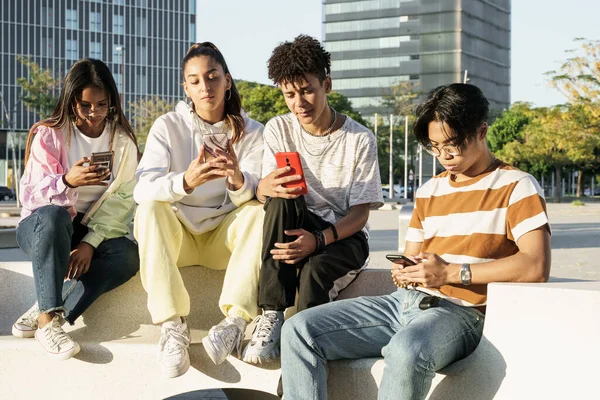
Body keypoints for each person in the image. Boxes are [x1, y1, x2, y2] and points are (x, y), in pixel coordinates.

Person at [279, 83, 552, 399]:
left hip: (461, 313)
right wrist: (405, 272)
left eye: (452, 145)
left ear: (481, 131)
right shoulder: (429, 191)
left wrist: (450, 273)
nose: (443, 156)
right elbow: (411, 260)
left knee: (406, 349)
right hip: (403, 304)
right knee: (299, 329)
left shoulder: (517, 186)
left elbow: (536, 265)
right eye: (434, 146)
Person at [242, 35, 383, 364]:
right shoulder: (279, 128)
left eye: (307, 90)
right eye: (289, 94)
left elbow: (360, 214)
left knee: (315, 271)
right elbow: (267, 193)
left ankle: (295, 371)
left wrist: (318, 240)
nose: (299, 102)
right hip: (297, 220)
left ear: (327, 85)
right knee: (279, 196)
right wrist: (264, 186)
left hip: (343, 237)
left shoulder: (359, 139)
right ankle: (273, 313)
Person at [133, 42, 264, 378]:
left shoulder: (251, 132)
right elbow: (142, 188)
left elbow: (256, 193)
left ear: (227, 80)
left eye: (212, 77)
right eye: (195, 80)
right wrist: (185, 182)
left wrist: (237, 178)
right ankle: (173, 326)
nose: (205, 87)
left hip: (223, 241)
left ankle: (235, 322)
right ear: (185, 86)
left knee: (259, 214)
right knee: (149, 208)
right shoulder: (168, 126)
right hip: (179, 241)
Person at [11, 58, 141, 360]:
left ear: (112, 101)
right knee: (54, 216)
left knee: (128, 255)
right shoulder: (49, 134)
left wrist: (89, 243)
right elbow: (31, 196)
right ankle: (47, 322)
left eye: (102, 104)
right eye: (85, 105)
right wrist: (67, 180)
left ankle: (49, 307)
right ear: (72, 103)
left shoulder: (122, 142)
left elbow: (123, 199)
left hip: (89, 230)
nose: (94, 113)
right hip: (43, 228)